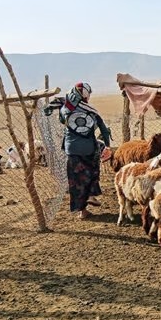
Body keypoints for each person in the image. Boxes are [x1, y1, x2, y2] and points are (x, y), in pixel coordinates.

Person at [60, 82, 112, 219]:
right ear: (86, 95)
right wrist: (107, 145)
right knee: (91, 172)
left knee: (76, 180)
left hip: (72, 150)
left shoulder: (66, 109)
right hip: (89, 149)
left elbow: (61, 120)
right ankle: (91, 195)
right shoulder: (91, 111)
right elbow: (104, 130)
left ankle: (82, 211)